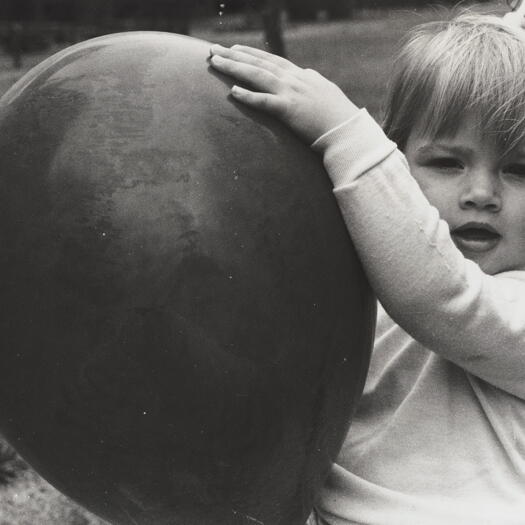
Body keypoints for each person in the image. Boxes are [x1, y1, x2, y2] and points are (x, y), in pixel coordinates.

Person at [208, 10, 525, 525]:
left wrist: (345, 136)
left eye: (519, 170)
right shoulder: (359, 286)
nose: (482, 195)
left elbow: (441, 295)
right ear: (397, 166)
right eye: (448, 163)